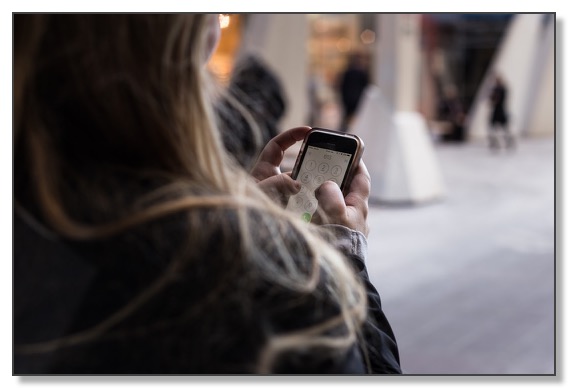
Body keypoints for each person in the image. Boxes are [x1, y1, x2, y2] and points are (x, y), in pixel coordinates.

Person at [14, 14, 401, 374]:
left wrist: (240, 219)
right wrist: (343, 258)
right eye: (214, 13)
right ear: (184, 38)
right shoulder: (256, 284)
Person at [338, 51, 370, 132]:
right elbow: (366, 87)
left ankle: (345, 130)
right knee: (355, 115)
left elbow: (342, 86)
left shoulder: (348, 71)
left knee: (348, 115)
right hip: (357, 98)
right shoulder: (362, 72)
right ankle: (351, 130)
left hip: (349, 98)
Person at [488, 74, 514, 150]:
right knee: (493, 126)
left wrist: (495, 100)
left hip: (500, 110)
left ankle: (508, 141)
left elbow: (499, 98)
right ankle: (494, 142)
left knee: (504, 127)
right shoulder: (495, 88)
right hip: (496, 110)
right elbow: (492, 97)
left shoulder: (502, 89)